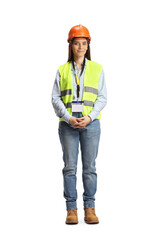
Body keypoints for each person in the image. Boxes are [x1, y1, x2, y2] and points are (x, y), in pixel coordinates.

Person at [51, 24, 107, 224]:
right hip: (68, 126)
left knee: (90, 168)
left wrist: (90, 117)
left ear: (88, 46)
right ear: (71, 46)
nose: (81, 47)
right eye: (77, 43)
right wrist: (68, 118)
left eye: (84, 43)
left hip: (91, 125)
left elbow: (102, 98)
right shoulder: (62, 70)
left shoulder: (97, 69)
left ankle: (90, 208)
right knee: (70, 168)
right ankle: (71, 210)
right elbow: (55, 99)